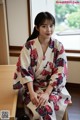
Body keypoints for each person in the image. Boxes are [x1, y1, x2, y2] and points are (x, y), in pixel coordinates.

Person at [13, 11, 71, 120]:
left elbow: (60, 71)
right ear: (37, 28)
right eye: (44, 26)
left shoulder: (58, 46)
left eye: (51, 25)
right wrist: (32, 93)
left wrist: (47, 93)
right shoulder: (28, 46)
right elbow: (24, 70)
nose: (49, 29)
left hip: (53, 87)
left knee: (47, 106)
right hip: (32, 86)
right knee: (41, 107)